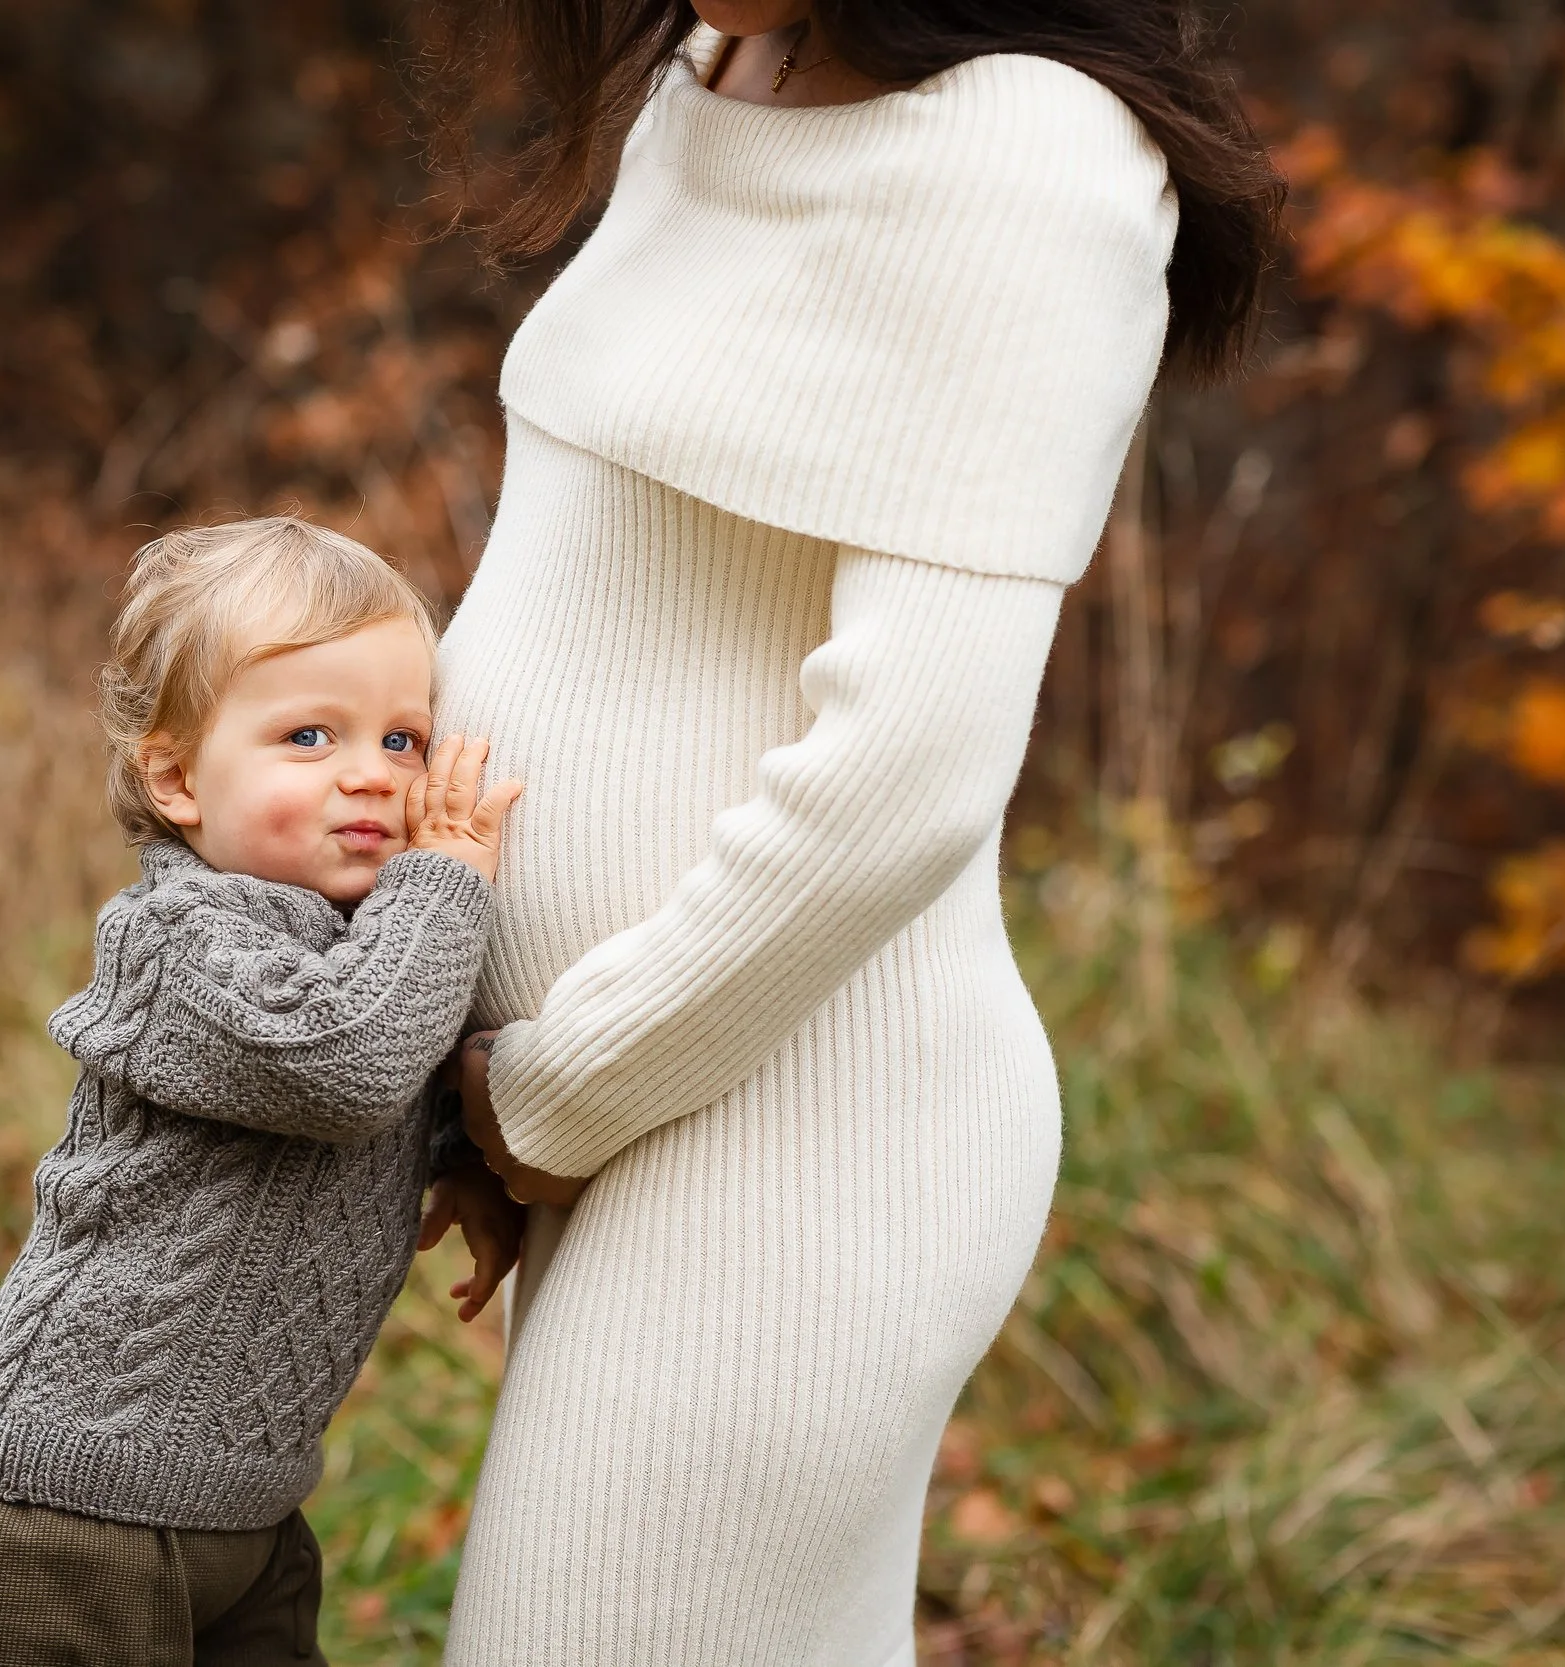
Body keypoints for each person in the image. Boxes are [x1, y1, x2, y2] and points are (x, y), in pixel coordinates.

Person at [424, 2, 1286, 1661]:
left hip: (803, 1135)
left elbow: (913, 767)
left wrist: (552, 1088)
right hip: (638, 1103)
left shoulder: (1028, 151)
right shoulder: (719, 69)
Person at [0, 516, 526, 1666]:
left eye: (405, 739)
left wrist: (462, 1160)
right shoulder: (177, 940)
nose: (371, 772)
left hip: (245, 1499)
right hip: (78, 1502)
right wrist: (449, 876)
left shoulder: (366, 940)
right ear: (176, 777)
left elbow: (395, 1064)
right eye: (308, 734)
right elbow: (345, 1062)